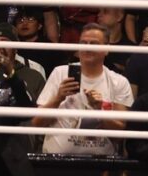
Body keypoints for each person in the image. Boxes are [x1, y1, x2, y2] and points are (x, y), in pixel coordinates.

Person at [33, 23, 134, 155]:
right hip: (58, 163)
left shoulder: (118, 82)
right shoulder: (60, 73)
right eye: (83, 43)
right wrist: (58, 98)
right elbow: (37, 123)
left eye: (94, 43)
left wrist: (99, 110)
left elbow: (120, 135)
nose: (87, 47)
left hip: (101, 165)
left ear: (107, 49)